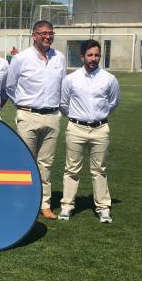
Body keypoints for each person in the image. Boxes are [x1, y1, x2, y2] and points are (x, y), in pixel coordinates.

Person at [6, 20, 66, 220]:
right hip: (28, 115)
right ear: (34, 35)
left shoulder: (60, 58)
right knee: (24, 162)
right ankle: (23, 202)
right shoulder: (21, 59)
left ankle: (45, 203)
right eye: (43, 33)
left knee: (46, 164)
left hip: (52, 116)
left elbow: (63, 86)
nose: (48, 37)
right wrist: (23, 106)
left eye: (51, 33)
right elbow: (10, 86)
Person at [59, 40, 120, 223]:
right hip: (75, 128)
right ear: (82, 56)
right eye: (90, 55)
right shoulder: (71, 79)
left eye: (97, 55)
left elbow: (113, 102)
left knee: (99, 170)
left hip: (100, 129)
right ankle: (67, 206)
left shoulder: (109, 79)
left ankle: (103, 207)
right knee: (71, 169)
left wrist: (98, 117)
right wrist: (77, 118)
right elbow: (63, 104)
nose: (94, 58)